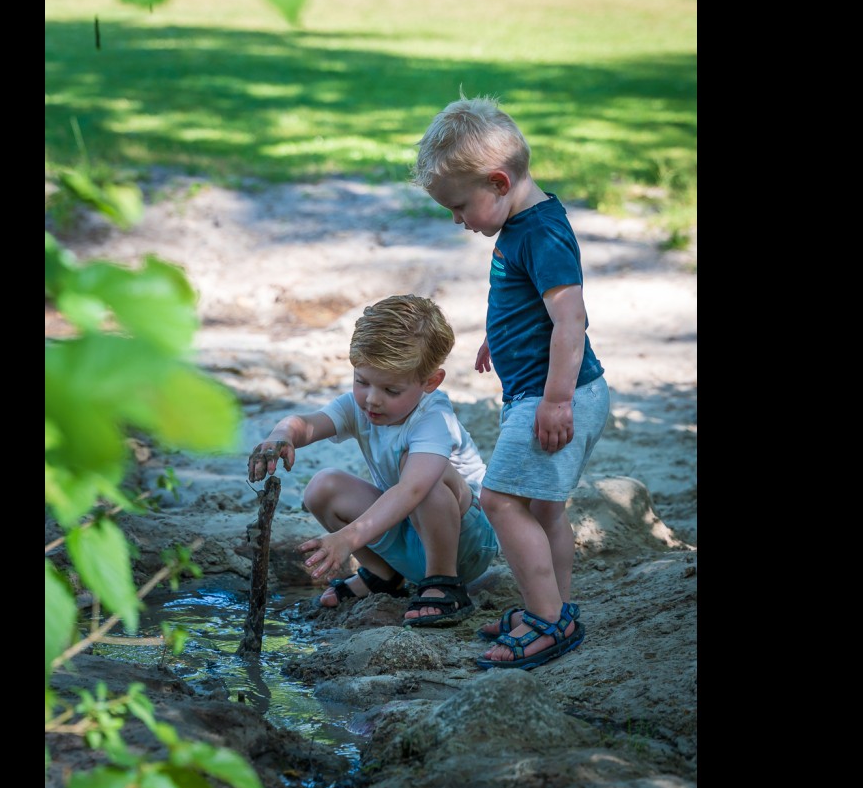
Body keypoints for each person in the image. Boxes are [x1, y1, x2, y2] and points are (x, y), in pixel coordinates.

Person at [411, 94, 610, 669]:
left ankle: (550, 623)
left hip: (555, 395)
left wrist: (555, 399)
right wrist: (500, 334)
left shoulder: (541, 233)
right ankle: (554, 607)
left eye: (458, 206)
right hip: (547, 390)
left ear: (498, 183)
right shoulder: (523, 223)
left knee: (499, 500)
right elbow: (535, 306)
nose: (457, 220)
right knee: (544, 511)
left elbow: (571, 319)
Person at [246, 294, 499, 626]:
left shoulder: (433, 419)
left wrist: (347, 539)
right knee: (323, 486)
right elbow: (307, 424)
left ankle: (443, 584)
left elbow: (411, 491)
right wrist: (282, 434)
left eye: (391, 391)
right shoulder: (359, 406)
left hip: (465, 543)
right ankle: (384, 575)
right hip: (408, 528)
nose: (372, 400)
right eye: (361, 382)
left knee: (429, 479)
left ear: (430, 382)